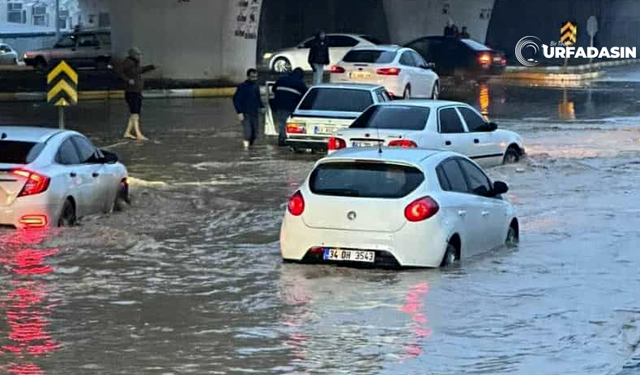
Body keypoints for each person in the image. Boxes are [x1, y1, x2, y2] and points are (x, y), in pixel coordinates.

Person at [119, 47, 156, 140]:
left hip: (136, 91)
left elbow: (139, 70)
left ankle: (127, 132)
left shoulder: (135, 63)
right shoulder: (128, 62)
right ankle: (138, 133)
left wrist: (151, 67)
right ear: (132, 54)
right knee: (135, 113)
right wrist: (128, 80)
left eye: (140, 54)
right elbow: (120, 72)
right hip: (132, 92)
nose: (140, 56)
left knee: (134, 114)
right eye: (138, 54)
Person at [272, 68, 307, 146]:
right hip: (290, 107)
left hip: (278, 105)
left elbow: (273, 89)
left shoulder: (281, 79)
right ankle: (284, 140)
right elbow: (306, 96)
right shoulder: (300, 83)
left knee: (282, 123)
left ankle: (282, 139)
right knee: (288, 123)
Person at [233, 68, 264, 149]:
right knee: (248, 133)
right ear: (248, 76)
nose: (254, 79)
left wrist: (261, 107)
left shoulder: (256, 86)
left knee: (255, 133)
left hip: (255, 113)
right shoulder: (242, 86)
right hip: (245, 113)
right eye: (252, 77)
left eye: (255, 77)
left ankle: (250, 147)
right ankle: (246, 150)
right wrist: (239, 112)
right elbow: (236, 99)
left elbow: (258, 98)